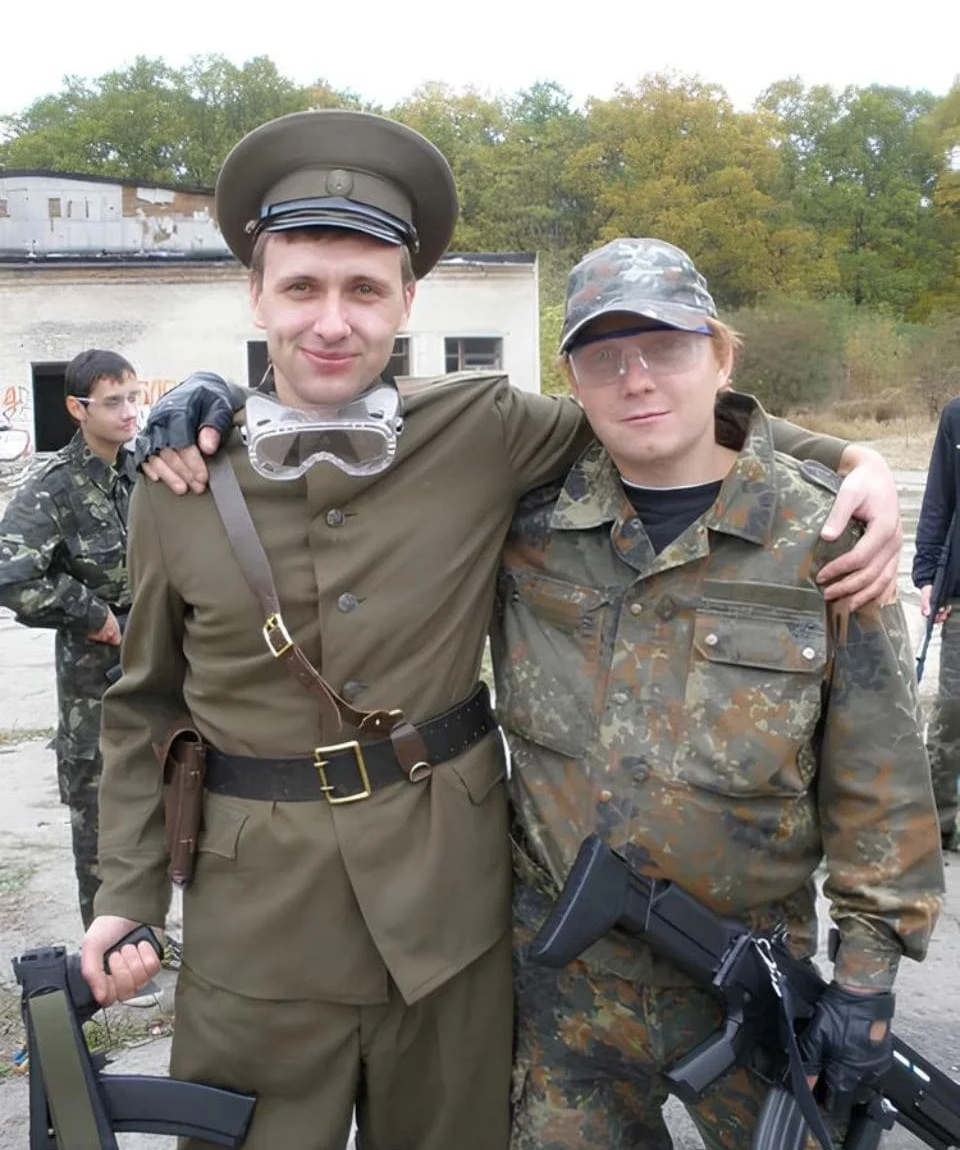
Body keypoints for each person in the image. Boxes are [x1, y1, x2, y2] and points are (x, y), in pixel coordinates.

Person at [82, 110, 903, 1150]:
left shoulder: (482, 427)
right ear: (256, 294)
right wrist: (127, 894)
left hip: (449, 916)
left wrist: (847, 459)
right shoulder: (181, 479)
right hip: (256, 926)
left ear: (407, 301)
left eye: (364, 291)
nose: (331, 322)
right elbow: (145, 702)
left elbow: (655, 413)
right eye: (300, 289)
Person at [495, 238, 944, 1150]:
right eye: (604, 356)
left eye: (666, 347)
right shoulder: (525, 526)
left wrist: (866, 982)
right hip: (561, 996)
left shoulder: (820, 538)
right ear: (572, 380)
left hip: (747, 981)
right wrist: (211, 408)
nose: (637, 379)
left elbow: (882, 783)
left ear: (723, 356)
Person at [0, 350, 140, 932]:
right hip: (94, 679)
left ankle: (153, 927)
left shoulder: (142, 471)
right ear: (77, 409)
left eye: (134, 397)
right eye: (114, 402)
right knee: (100, 813)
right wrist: (94, 616)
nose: (131, 412)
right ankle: (111, 949)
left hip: (160, 662)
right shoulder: (54, 489)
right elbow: (11, 573)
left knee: (165, 800)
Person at [913, 395, 960, 852]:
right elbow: (939, 500)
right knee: (951, 711)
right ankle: (937, 823)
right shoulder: (956, 416)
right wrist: (928, 576)